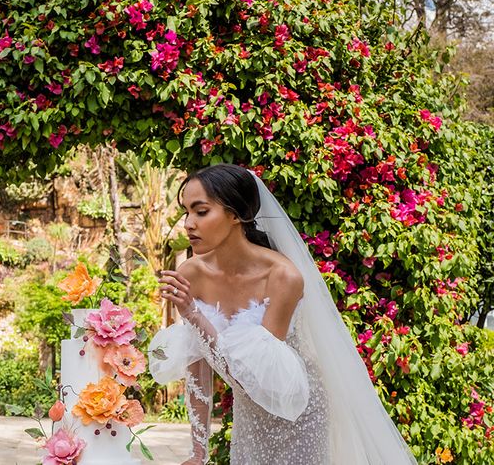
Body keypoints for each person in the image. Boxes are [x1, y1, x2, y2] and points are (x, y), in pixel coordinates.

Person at [148, 163, 417, 465]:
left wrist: (194, 314)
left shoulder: (283, 277)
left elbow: (254, 376)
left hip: (299, 412)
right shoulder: (191, 274)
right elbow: (196, 362)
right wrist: (198, 452)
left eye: (201, 211)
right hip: (249, 419)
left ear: (235, 215)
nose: (188, 224)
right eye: (186, 212)